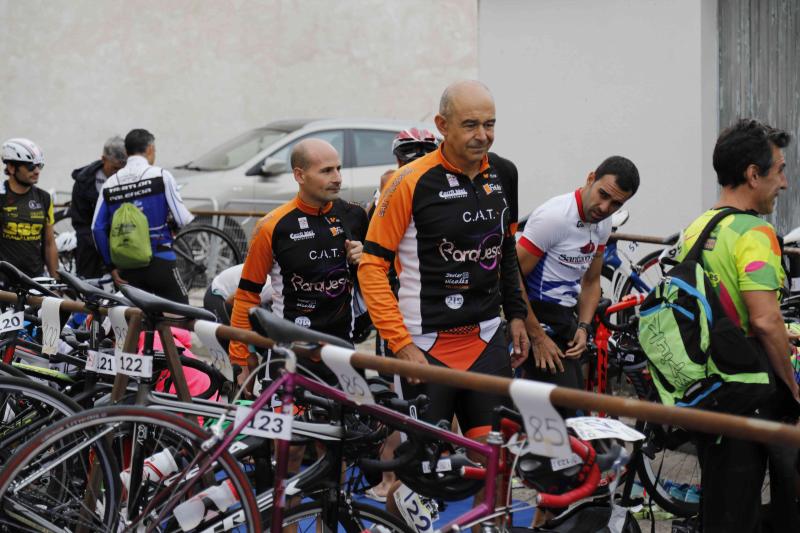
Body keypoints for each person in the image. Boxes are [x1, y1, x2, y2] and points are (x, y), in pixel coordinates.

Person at [359, 79, 529, 450]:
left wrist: (516, 314)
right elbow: (371, 267)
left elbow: (505, 248)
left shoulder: (504, 173)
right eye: (470, 125)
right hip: (423, 345)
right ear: (442, 125)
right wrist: (400, 344)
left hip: (486, 339)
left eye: (490, 124)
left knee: (496, 462)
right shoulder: (408, 181)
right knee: (423, 473)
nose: (483, 135)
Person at [677, 119, 797, 532]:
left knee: (722, 500)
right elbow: (765, 320)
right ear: (753, 174)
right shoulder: (755, 232)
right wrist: (794, 386)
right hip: (748, 384)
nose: (783, 183)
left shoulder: (698, 226)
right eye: (779, 170)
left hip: (707, 384)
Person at [228, 138, 367, 383]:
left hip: (342, 349)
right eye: (326, 170)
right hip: (289, 351)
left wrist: (364, 261)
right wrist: (240, 359)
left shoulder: (354, 215)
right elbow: (247, 295)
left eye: (338, 168)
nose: (337, 177)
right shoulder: (272, 226)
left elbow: (377, 282)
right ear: (299, 175)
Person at [517, 156, 639, 400]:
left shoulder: (602, 224)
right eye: (603, 194)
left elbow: (592, 282)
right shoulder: (555, 217)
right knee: (567, 410)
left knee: (573, 408)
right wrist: (537, 336)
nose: (605, 208)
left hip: (565, 319)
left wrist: (584, 326)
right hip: (532, 315)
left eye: (616, 204)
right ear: (590, 178)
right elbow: (510, 277)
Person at [91, 129, 194, 302]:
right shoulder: (161, 176)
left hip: (127, 267)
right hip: (161, 260)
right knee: (183, 318)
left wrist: (111, 267)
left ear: (126, 151)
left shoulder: (110, 183)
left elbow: (97, 228)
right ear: (150, 149)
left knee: (136, 318)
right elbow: (183, 219)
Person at [0, 138, 59, 282]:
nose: (37, 171)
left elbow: (49, 243)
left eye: (40, 165)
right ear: (12, 168)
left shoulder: (44, 198)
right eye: (31, 167)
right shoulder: (1, 196)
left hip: (35, 280)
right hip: (4, 281)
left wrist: (55, 280)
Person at [70, 135, 127, 278]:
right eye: (114, 168)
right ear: (103, 159)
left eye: (122, 168)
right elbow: (80, 222)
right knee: (89, 286)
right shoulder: (84, 181)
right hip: (90, 243)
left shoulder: (129, 178)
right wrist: (100, 244)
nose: (118, 173)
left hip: (123, 241)